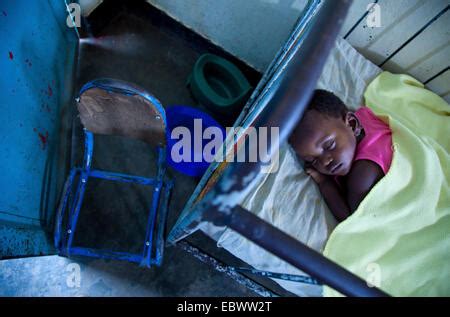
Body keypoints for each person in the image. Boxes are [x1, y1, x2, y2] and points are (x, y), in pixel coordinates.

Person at [289, 89, 393, 222]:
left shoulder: (361, 178)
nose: (325, 161)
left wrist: (324, 182)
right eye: (313, 160)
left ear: (352, 123)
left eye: (329, 146)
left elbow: (353, 220)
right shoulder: (363, 116)